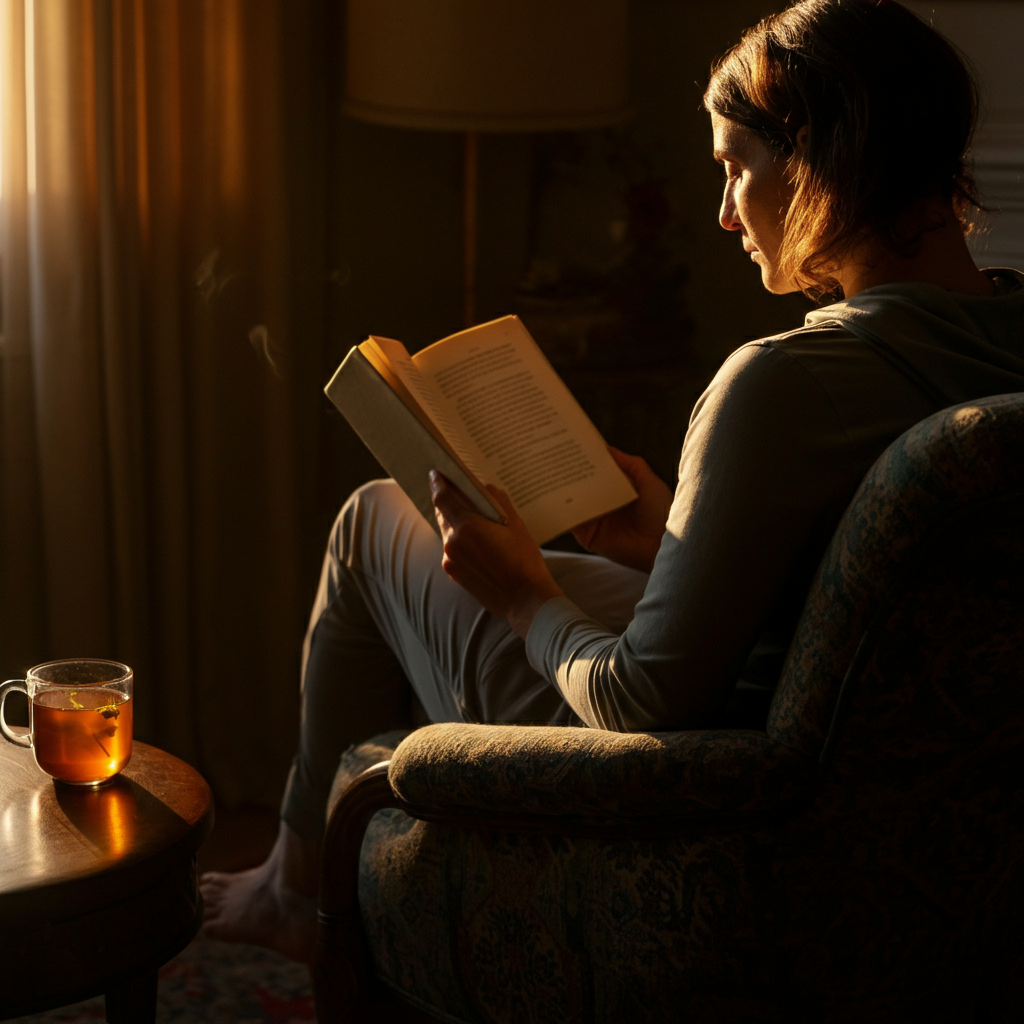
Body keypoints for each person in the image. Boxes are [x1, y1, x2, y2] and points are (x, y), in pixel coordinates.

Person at [200, 0, 1024, 962]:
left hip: (697, 776)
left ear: (816, 160)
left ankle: (298, 888)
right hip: (889, 797)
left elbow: (642, 703)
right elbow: (872, 594)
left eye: (735, 167)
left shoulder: (786, 383)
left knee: (372, 523)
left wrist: (523, 595)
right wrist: (671, 535)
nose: (725, 213)